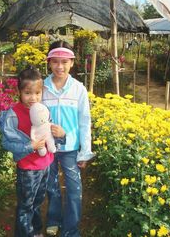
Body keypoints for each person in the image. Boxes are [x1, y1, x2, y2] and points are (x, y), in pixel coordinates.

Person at [0, 66, 65, 237]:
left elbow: (48, 132)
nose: (33, 98)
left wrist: (59, 134)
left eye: (37, 93)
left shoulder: (42, 109)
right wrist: (30, 146)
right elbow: (6, 142)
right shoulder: (13, 114)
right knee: (25, 206)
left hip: (46, 165)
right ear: (19, 92)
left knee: (37, 202)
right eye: (28, 93)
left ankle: (34, 231)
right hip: (28, 168)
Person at [43, 41, 95, 237]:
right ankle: (53, 220)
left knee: (74, 189)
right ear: (49, 63)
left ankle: (71, 229)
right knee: (51, 186)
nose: (59, 66)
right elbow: (37, 118)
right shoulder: (43, 87)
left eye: (64, 62)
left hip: (71, 149)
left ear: (72, 63)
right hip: (48, 148)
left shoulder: (78, 89)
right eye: (55, 61)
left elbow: (84, 121)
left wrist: (84, 151)